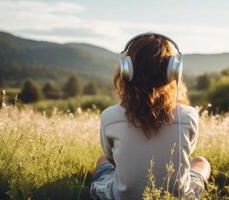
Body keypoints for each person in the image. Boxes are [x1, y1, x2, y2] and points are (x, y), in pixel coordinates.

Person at [90, 33, 211, 200]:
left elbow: (111, 160)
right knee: (201, 162)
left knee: (102, 160)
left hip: (120, 197)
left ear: (127, 70)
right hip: (178, 197)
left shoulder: (110, 116)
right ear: (173, 71)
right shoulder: (188, 115)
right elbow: (187, 152)